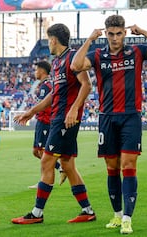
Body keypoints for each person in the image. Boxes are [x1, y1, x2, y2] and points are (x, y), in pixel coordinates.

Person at [71, 14, 147, 234]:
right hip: (106, 117)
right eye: (111, 34)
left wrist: (144, 32)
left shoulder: (136, 52)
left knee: (128, 165)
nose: (115, 38)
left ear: (125, 33)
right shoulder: (97, 55)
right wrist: (89, 39)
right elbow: (76, 66)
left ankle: (127, 217)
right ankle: (117, 215)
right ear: (105, 33)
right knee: (111, 167)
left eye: (119, 33)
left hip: (130, 116)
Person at [11, 23, 96, 224]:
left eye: (48, 39)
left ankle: (37, 214)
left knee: (46, 161)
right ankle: (87, 210)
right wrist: (31, 111)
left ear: (53, 40)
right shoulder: (57, 62)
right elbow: (53, 94)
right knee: (67, 165)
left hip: (65, 119)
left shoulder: (72, 58)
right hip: (59, 118)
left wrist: (74, 108)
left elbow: (87, 85)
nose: (48, 43)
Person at [27, 60, 66, 189]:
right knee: (36, 151)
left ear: (42, 71)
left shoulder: (46, 86)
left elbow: (44, 105)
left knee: (43, 151)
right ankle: (54, 172)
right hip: (42, 121)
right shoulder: (45, 85)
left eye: (36, 69)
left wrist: (30, 113)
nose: (35, 72)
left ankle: (51, 176)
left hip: (45, 121)